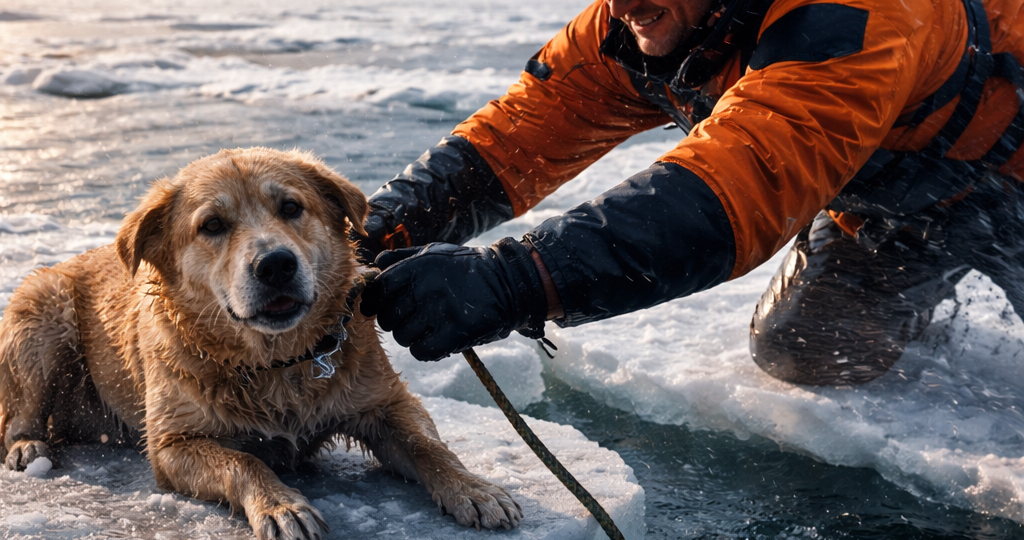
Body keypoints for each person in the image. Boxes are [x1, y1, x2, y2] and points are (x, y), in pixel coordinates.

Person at [354, 0, 1024, 385]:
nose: (623, 5)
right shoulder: (640, 20)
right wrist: (351, 238)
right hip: (889, 219)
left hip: (1011, 187)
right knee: (804, 347)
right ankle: (933, 316)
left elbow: (740, 185)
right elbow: (512, 142)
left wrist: (512, 282)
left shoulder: (855, 13)